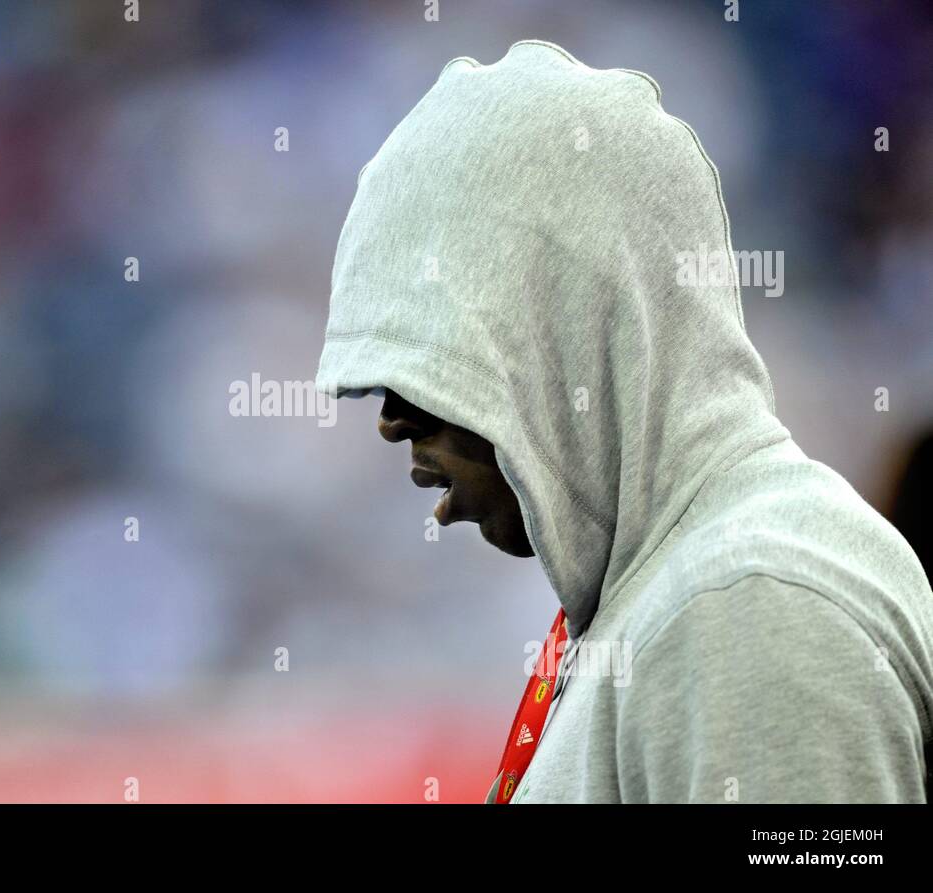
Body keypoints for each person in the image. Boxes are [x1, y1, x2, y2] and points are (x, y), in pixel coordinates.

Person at [315, 40, 933, 803]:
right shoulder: (668, 595)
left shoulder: (745, 602)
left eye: (429, 354)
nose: (390, 419)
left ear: (566, 321)